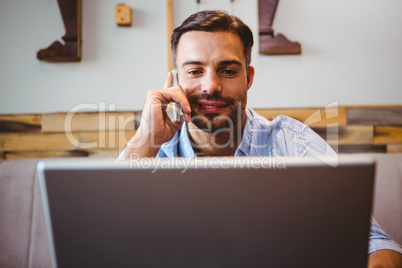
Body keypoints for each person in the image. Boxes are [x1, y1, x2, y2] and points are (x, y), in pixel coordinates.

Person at [119, 10, 402, 267]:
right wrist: (146, 140)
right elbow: (97, 237)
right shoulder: (152, 151)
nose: (211, 86)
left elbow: (375, 245)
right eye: (194, 71)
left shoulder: (293, 143)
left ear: (249, 77)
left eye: (228, 71)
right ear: (174, 79)